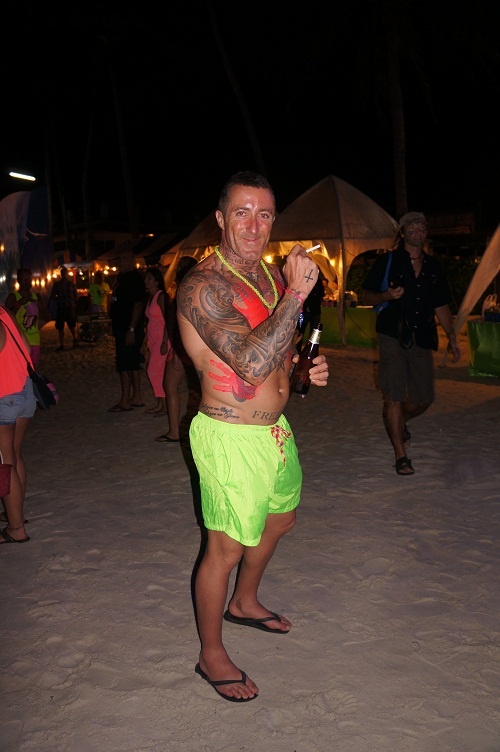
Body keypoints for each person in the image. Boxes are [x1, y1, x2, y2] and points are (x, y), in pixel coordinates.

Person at [177, 171, 329, 702]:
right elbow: (247, 363)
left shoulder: (266, 276)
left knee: (281, 519)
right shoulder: (202, 285)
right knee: (225, 547)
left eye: (264, 214)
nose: (253, 225)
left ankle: (243, 601)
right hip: (230, 434)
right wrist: (297, 292)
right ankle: (210, 653)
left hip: (275, 431)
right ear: (221, 218)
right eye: (241, 212)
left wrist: (305, 365)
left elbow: (278, 345)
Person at [361, 211, 461, 475]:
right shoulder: (388, 261)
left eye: (422, 228)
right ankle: (401, 455)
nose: (418, 232)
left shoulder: (433, 266)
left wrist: (452, 337)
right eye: (412, 228)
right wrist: (386, 295)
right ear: (403, 233)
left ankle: (397, 421)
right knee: (393, 394)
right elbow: (367, 296)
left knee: (424, 398)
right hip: (391, 334)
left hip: (422, 335)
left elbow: (441, 304)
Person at [0, 305, 37, 544]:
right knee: (14, 454)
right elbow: (27, 348)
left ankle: (16, 528)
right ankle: (16, 513)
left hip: (5, 396)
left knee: (4, 462)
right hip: (25, 390)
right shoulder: (5, 313)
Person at [155, 256, 200, 443]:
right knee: (197, 390)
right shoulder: (197, 287)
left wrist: (175, 349)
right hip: (194, 347)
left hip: (184, 348)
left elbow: (181, 323)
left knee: (171, 386)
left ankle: (175, 431)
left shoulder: (184, 288)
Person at [108, 247, 147, 412]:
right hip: (121, 326)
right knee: (131, 363)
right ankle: (136, 396)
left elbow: (138, 305)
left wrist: (131, 328)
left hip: (128, 328)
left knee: (124, 365)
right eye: (120, 259)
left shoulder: (134, 279)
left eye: (125, 259)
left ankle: (125, 400)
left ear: (132, 261)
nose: (121, 263)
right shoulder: (122, 278)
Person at [4, 267, 51, 366]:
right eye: (23, 279)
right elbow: (6, 318)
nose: (26, 281)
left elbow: (47, 318)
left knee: (33, 368)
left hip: (34, 339)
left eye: (28, 279)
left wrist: (41, 308)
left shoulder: (36, 297)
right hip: (19, 340)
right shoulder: (13, 297)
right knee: (21, 367)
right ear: (18, 280)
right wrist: (19, 303)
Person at [144, 267, 170, 415]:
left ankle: (164, 404)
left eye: (150, 278)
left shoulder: (161, 296)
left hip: (162, 337)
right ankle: (160, 403)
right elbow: (150, 322)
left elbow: (168, 320)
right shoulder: (151, 298)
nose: (146, 281)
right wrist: (145, 341)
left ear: (157, 281)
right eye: (146, 278)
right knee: (156, 371)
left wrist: (165, 341)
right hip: (153, 337)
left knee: (154, 370)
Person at [48, 266, 79, 351]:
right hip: (71, 307)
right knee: (72, 325)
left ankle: (62, 344)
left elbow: (52, 296)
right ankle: (75, 339)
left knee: (60, 326)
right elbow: (76, 297)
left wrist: (58, 298)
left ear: (61, 274)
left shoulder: (57, 285)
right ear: (67, 274)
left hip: (61, 307)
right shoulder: (72, 284)